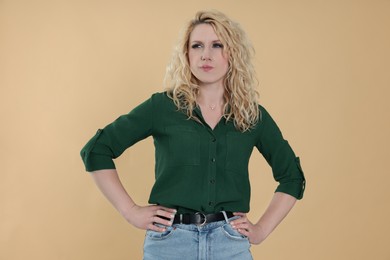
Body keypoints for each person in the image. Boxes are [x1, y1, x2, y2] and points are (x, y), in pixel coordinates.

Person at [80, 10, 305, 260]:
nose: (205, 55)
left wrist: (261, 230)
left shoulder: (252, 116)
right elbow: (96, 151)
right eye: (197, 46)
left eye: (217, 45)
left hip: (229, 244)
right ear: (186, 54)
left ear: (233, 53)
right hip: (169, 243)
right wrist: (129, 210)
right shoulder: (162, 107)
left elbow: (292, 177)